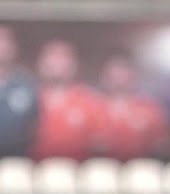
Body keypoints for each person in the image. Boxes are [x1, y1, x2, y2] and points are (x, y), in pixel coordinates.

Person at [30, 39, 106, 162]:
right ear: (40, 63)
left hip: (78, 170)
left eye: (63, 57)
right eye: (51, 56)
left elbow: (101, 145)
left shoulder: (90, 101)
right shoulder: (28, 98)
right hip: (33, 170)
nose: (56, 63)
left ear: (74, 64)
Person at [98, 51, 170, 161]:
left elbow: (163, 147)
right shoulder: (92, 107)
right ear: (104, 77)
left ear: (133, 74)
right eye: (114, 73)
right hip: (102, 168)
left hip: (141, 167)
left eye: (122, 71)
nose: (118, 78)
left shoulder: (150, 108)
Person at [0, 26, 39, 158]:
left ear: (13, 48)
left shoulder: (27, 84)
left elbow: (36, 125)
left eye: (5, 41)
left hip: (18, 159)